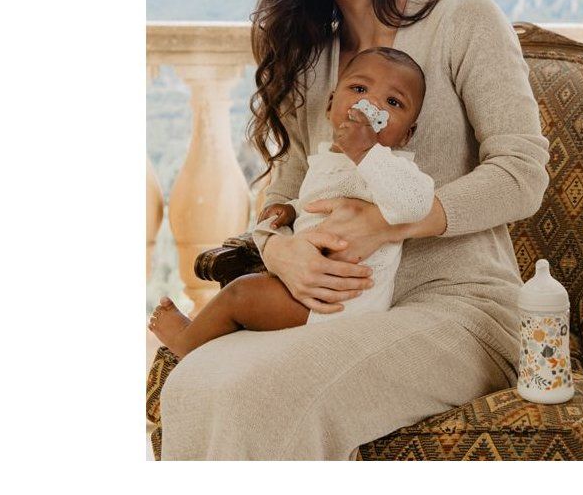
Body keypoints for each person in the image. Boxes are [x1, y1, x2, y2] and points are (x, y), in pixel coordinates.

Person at [158, 0, 550, 460]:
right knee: (196, 382)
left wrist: (391, 223)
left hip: (460, 307)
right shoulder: (310, 57)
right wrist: (278, 249)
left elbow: (522, 173)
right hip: (329, 309)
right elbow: (285, 191)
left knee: (264, 397)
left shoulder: (462, 19)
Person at [147, 46, 435, 357]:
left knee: (241, 294)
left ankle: (186, 341)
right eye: (359, 89)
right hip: (312, 288)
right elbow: (320, 205)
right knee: (249, 295)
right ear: (331, 105)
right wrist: (292, 210)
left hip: (344, 303)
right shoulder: (328, 160)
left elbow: (416, 204)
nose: (371, 104)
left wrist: (366, 153)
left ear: (407, 134)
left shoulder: (393, 167)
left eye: (393, 102)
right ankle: (207, 339)